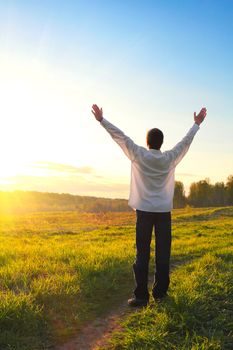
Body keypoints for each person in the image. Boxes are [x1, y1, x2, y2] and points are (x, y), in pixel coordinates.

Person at [91, 104, 207, 307]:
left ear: (147, 142)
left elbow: (120, 137)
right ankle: (160, 295)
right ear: (161, 143)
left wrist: (102, 120)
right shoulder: (169, 158)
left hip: (144, 212)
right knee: (163, 253)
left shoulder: (138, 154)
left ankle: (141, 297)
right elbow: (185, 142)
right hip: (163, 212)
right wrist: (196, 124)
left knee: (142, 253)